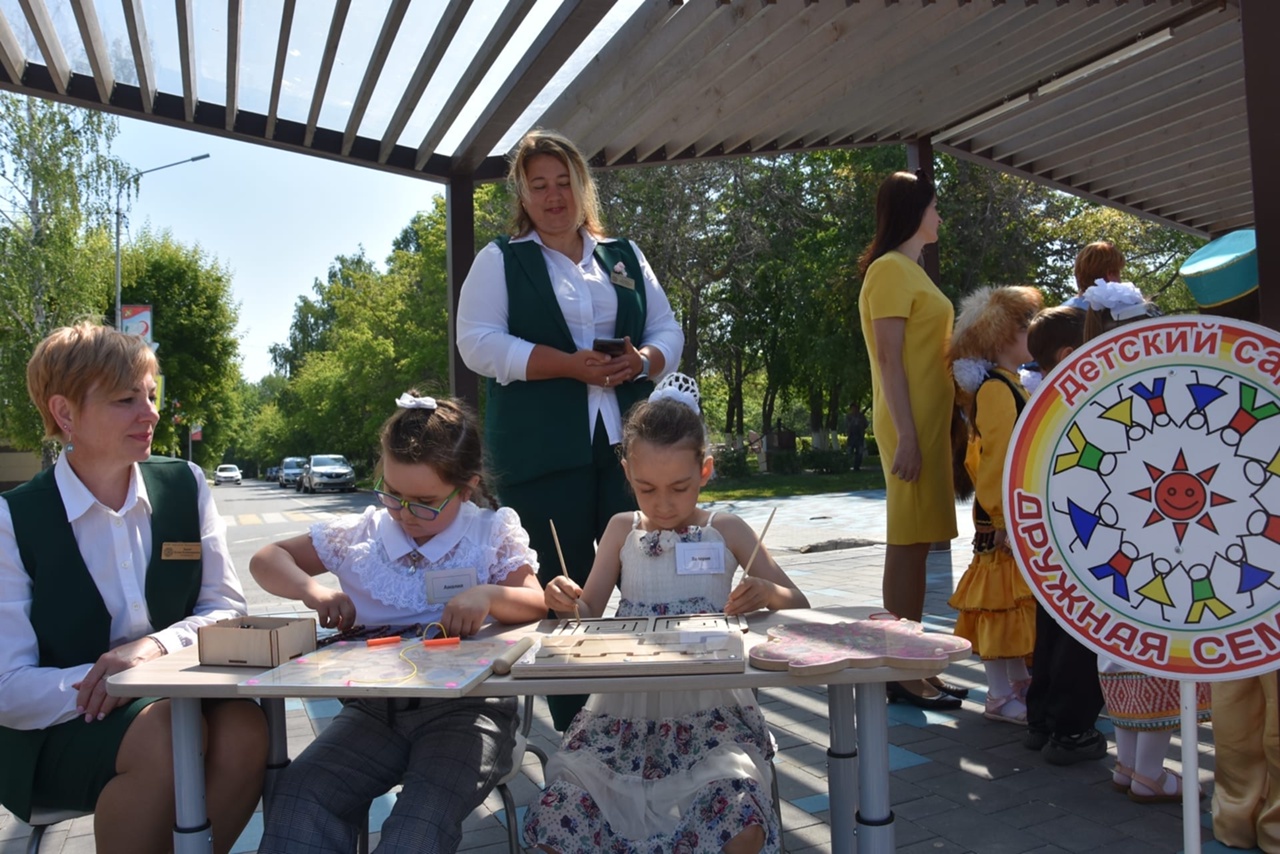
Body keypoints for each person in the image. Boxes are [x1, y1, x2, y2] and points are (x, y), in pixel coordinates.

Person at [0, 322, 266, 854]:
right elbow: (8, 688)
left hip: (180, 705)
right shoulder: (13, 520)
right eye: (126, 400)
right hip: (55, 734)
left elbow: (226, 608)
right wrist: (113, 685)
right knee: (165, 732)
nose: (150, 414)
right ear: (65, 413)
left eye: (150, 395)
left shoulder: (185, 484)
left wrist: (151, 650)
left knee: (246, 727)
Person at [523, 373, 809, 854]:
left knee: (738, 818)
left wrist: (767, 591)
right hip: (623, 711)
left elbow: (798, 604)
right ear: (626, 474)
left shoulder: (728, 528)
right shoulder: (621, 528)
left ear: (705, 470)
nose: (663, 504)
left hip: (713, 712)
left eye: (679, 487)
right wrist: (563, 600)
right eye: (646, 488)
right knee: (561, 814)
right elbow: (587, 610)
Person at [456, 128, 684, 730]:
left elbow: (667, 329)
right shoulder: (501, 260)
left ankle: (652, 712)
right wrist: (566, 364)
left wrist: (643, 361)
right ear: (522, 194)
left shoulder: (624, 256)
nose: (554, 196)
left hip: (629, 450)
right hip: (540, 455)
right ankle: (578, 730)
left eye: (565, 182)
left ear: (583, 187)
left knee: (647, 569)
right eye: (540, 186)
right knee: (563, 586)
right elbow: (477, 343)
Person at [252, 393, 546, 853]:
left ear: (465, 488)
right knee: (300, 797)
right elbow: (267, 558)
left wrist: (489, 595)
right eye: (392, 495)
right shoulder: (363, 534)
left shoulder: (489, 532)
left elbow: (535, 602)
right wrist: (315, 592)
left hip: (470, 712)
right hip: (374, 712)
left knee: (415, 831)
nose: (406, 514)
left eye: (425, 502)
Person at [1076, 282, 1212, 798]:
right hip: (1165, 543)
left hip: (1111, 546)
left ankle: (1129, 765)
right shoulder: (1157, 385)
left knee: (1119, 647)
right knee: (1160, 648)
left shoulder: (1088, 391)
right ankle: (1149, 774)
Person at [857, 169, 963, 709]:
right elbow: (889, 359)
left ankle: (914, 663)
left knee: (919, 543)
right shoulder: (890, 270)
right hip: (910, 425)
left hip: (926, 424)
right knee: (907, 542)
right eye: (934, 206)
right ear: (914, 210)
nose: (939, 215)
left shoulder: (909, 269)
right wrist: (907, 436)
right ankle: (900, 670)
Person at [946, 286, 1042, 725]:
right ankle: (1000, 693)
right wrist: (1003, 517)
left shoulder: (1008, 384)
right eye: (1024, 327)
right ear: (1002, 337)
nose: (1031, 333)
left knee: (1009, 600)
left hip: (1008, 509)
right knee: (997, 602)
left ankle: (1016, 681)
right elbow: (997, 458)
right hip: (1001, 514)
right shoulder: (998, 390)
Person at [1020, 305, 1111, 763]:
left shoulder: (1039, 403)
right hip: (1087, 533)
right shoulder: (1082, 401)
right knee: (1081, 631)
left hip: (1052, 535)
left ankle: (1042, 720)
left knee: (1053, 627)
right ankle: (1072, 729)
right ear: (1069, 353)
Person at [1064, 240, 1125, 308]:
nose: (1120, 280)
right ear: (1110, 274)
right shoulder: (1118, 311)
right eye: (1119, 273)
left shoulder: (1064, 310)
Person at [845, 405, 868, 470]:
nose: (854, 410)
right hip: (851, 436)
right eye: (853, 409)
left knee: (859, 452)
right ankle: (847, 465)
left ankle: (857, 466)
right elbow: (846, 425)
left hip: (859, 436)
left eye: (855, 408)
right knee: (849, 451)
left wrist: (861, 426)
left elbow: (866, 424)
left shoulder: (861, 416)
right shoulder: (849, 417)